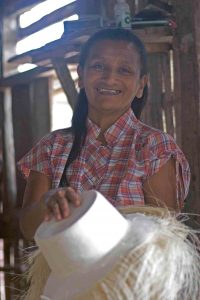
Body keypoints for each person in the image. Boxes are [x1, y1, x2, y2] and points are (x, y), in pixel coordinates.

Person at [18, 28, 190, 241]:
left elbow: (167, 234)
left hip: (133, 272)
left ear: (140, 85)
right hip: (65, 273)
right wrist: (47, 203)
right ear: (81, 76)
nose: (110, 78)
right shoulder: (52, 147)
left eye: (124, 70)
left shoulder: (154, 147)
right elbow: (27, 228)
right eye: (98, 66)